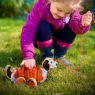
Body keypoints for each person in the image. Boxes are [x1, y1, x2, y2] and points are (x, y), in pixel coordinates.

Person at [20, 0, 92, 69]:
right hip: (41, 38)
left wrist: (82, 24)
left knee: (73, 26)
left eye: (67, 13)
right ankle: (47, 57)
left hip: (57, 40)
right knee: (43, 26)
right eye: (59, 10)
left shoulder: (72, 11)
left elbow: (76, 28)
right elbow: (28, 30)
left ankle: (59, 55)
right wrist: (28, 55)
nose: (62, 15)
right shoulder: (40, 8)